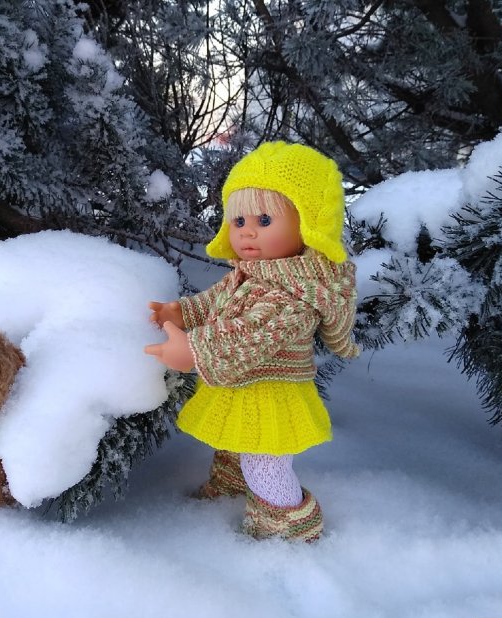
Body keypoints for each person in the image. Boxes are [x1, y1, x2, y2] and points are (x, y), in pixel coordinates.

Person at [144, 141, 359, 542]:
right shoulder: (254, 273)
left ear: (308, 225)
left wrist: (194, 350)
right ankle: (232, 486)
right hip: (247, 386)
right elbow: (216, 301)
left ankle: (289, 525)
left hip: (273, 393)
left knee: (265, 463)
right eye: (238, 220)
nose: (247, 231)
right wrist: (183, 313)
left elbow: (251, 333)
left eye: (264, 219)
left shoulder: (299, 294)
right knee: (237, 443)